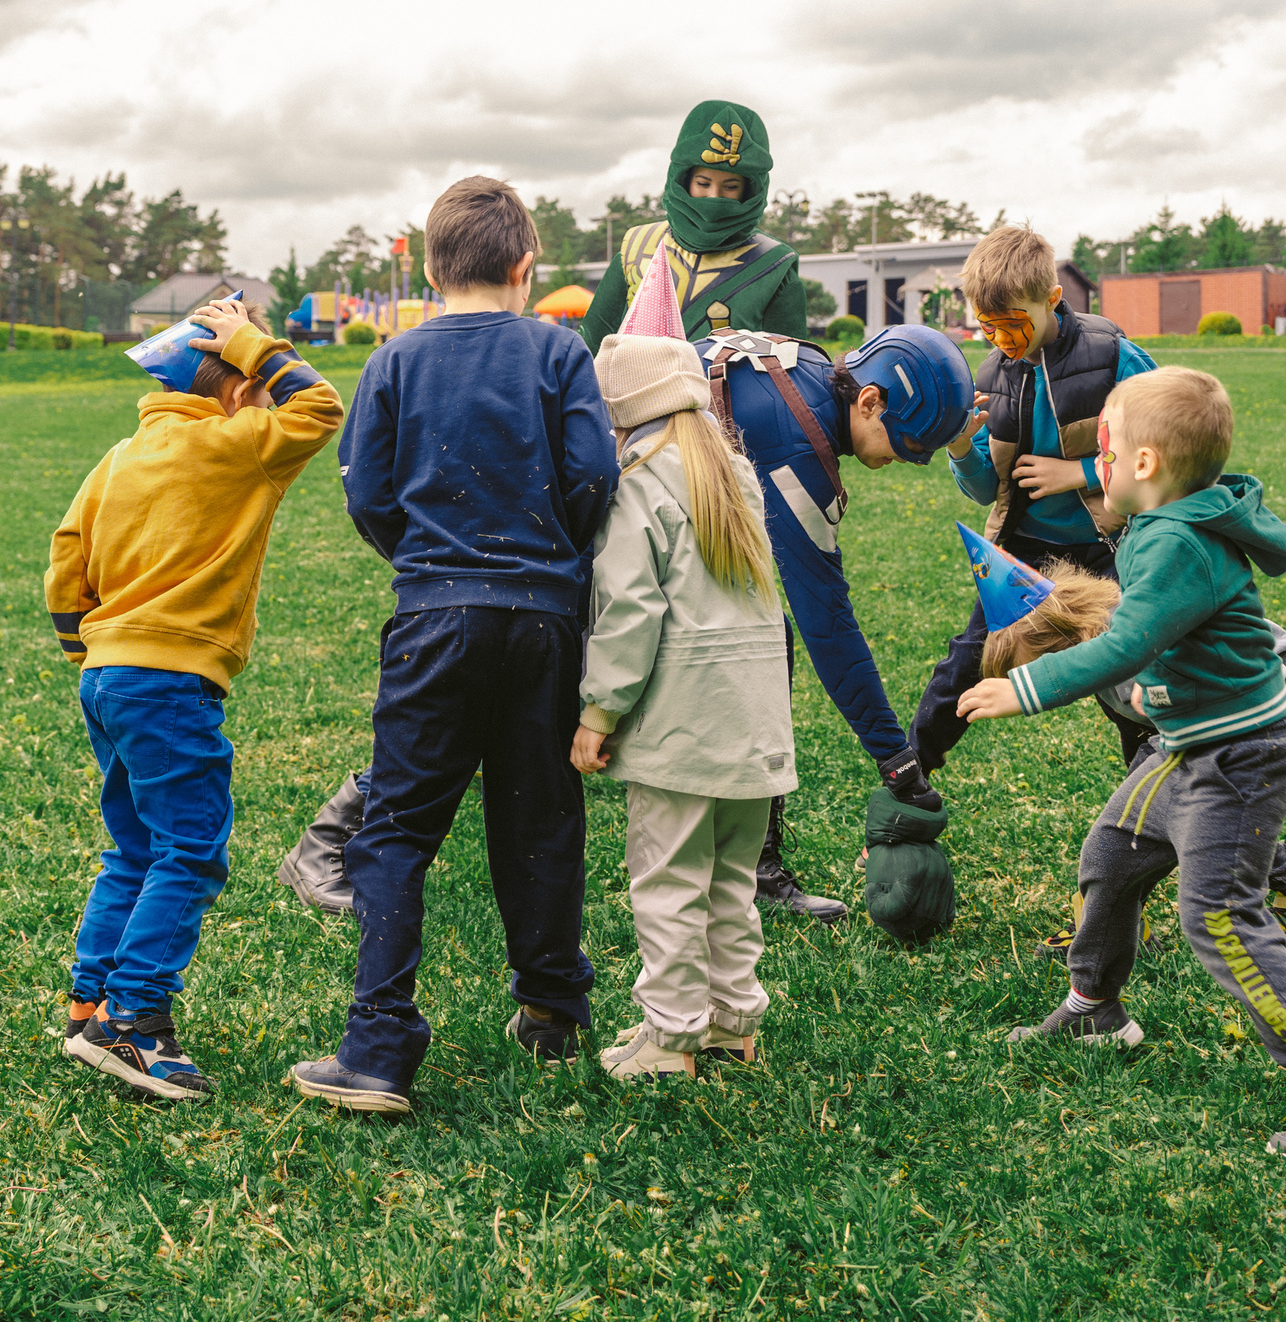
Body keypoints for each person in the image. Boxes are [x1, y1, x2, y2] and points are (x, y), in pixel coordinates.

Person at [277, 318, 978, 925]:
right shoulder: (802, 442)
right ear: (873, 398)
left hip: (571, 504)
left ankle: (758, 865)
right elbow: (831, 623)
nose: (898, 464)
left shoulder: (807, 364)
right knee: (502, 691)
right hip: (568, 529)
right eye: (904, 445)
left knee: (762, 643)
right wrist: (895, 756)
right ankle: (332, 837)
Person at [962, 367, 1286, 1167]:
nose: (1092, 462)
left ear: (1142, 464)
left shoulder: (1176, 537)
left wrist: (1024, 686)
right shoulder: (1161, 527)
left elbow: (1126, 643)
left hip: (1236, 758)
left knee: (1216, 917)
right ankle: (1095, 1005)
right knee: (1112, 855)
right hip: (1187, 747)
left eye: (1099, 447)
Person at [289, 176, 618, 1116]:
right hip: (545, 617)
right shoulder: (559, 350)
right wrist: (553, 554)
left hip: (434, 612)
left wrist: (426, 559)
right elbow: (592, 475)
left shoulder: (393, 361)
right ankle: (552, 1005)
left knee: (394, 828)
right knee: (540, 811)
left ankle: (379, 1046)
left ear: (432, 268)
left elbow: (366, 493)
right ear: (526, 267)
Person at [47, 296, 344, 1101]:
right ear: (241, 388)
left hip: (104, 674)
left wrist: (95, 651)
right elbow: (321, 405)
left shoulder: (117, 457)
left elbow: (64, 564)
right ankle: (134, 1022)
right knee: (188, 849)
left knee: (134, 845)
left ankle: (87, 1003)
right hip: (173, 679)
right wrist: (257, 343)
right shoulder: (239, 442)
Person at [571, 332, 793, 1080]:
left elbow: (631, 610)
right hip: (754, 726)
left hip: (681, 728)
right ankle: (734, 1022)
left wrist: (598, 714)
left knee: (667, 883)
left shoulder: (639, 480)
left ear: (620, 412)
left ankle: (669, 1036)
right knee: (732, 882)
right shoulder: (733, 472)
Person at [980, 563, 1286, 948]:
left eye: (1036, 676)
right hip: (1199, 718)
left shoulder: (1132, 636)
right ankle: (1117, 920)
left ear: (1059, 641)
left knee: (1190, 820)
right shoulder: (1095, 653)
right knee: (1151, 817)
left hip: (1260, 698)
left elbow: (1229, 665)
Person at [914, 225, 1158, 775]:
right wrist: (959, 446)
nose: (1002, 340)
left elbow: (1168, 450)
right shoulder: (988, 375)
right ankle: (907, 785)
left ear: (1052, 300)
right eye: (987, 328)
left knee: (1138, 683)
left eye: (1014, 324)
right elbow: (984, 488)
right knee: (966, 666)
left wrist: (1081, 472)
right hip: (1023, 552)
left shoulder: (1115, 357)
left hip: (1113, 551)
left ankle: (1166, 806)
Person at [577, 100, 807, 351]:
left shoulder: (775, 265)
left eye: (730, 187)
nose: (714, 197)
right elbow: (590, 347)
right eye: (703, 183)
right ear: (683, 179)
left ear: (750, 190)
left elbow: (791, 368)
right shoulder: (636, 247)